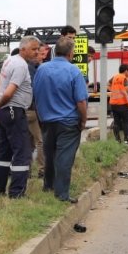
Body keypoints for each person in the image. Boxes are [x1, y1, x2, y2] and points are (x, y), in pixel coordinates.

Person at [32, 36, 88, 203]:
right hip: (69, 121)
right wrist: (83, 120)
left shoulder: (41, 70)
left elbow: (35, 95)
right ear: (70, 54)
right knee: (64, 158)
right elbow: (81, 101)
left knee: (50, 155)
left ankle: (48, 186)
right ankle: (61, 194)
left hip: (47, 121)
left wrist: (41, 117)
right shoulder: (74, 71)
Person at [0, 35, 41, 198]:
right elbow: (9, 92)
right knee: (22, 152)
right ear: (23, 49)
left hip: (3, 112)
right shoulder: (21, 66)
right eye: (33, 49)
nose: (36, 52)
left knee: (4, 152)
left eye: (37, 49)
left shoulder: (9, 60)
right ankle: (17, 193)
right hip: (13, 111)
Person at [27, 44, 49, 177]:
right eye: (40, 54)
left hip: (27, 110)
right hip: (32, 110)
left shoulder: (31, 68)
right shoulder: (32, 70)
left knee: (28, 142)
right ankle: (42, 169)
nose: (42, 57)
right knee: (40, 140)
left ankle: (26, 169)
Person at [108, 64, 128, 143]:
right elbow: (126, 90)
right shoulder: (124, 78)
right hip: (123, 103)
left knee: (116, 122)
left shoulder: (114, 77)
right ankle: (126, 140)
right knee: (126, 122)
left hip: (114, 103)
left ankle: (117, 140)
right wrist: (127, 89)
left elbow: (108, 84)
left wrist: (112, 89)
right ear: (126, 71)